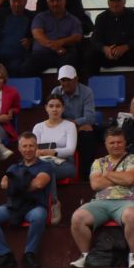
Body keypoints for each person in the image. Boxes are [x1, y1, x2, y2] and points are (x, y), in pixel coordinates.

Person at [68, 126, 134, 268]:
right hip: (100, 202)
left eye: (119, 142)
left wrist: (107, 174)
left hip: (127, 202)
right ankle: (85, 256)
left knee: (132, 216)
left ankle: (133, 257)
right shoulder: (98, 162)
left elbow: (129, 179)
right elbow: (95, 184)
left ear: (125, 143)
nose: (116, 145)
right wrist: (120, 177)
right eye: (112, 143)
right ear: (106, 144)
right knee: (77, 217)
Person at [0, 133, 53, 268]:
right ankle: (5, 254)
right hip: (14, 206)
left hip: (34, 206)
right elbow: (3, 184)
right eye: (24, 146)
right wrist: (26, 183)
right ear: (19, 148)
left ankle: (29, 254)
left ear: (36, 146)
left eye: (31, 146)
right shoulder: (14, 167)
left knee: (39, 216)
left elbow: (39, 184)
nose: (28, 149)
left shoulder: (45, 166)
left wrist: (15, 185)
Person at [33, 93, 80, 222]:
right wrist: (37, 152)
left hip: (65, 163)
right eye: (51, 106)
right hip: (43, 163)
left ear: (63, 108)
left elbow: (71, 150)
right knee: (45, 167)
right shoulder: (38, 127)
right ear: (46, 108)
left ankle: (54, 203)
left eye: (58, 106)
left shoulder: (69, 126)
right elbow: (32, 148)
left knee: (48, 168)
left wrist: (52, 152)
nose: (54, 109)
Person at [91, 0, 134, 83]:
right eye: (112, 1)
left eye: (118, 0)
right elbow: (94, 40)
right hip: (108, 56)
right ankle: (94, 92)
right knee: (91, 56)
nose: (115, 4)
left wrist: (126, 47)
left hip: (127, 54)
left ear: (124, 2)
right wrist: (105, 49)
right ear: (108, 3)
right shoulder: (101, 18)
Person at [30, 0, 85, 76]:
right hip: (43, 53)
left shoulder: (74, 20)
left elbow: (77, 36)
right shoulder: (40, 17)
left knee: (68, 68)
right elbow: (37, 35)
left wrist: (61, 42)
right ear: (48, 3)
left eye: (58, 0)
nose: (55, 4)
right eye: (52, 1)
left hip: (65, 53)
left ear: (64, 1)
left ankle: (64, 90)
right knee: (26, 67)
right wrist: (55, 47)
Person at [52, 64, 100, 165]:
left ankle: (87, 173)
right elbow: (54, 117)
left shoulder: (87, 92)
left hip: (81, 128)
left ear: (76, 79)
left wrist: (73, 125)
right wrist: (73, 126)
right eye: (63, 80)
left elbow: (90, 118)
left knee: (88, 135)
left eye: (68, 80)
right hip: (66, 128)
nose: (65, 83)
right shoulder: (56, 91)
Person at [0, 0, 37, 76]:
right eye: (14, 1)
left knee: (18, 68)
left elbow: (39, 35)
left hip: (19, 57)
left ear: (25, 1)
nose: (17, 4)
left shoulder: (32, 17)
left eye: (19, 1)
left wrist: (31, 41)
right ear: (9, 1)